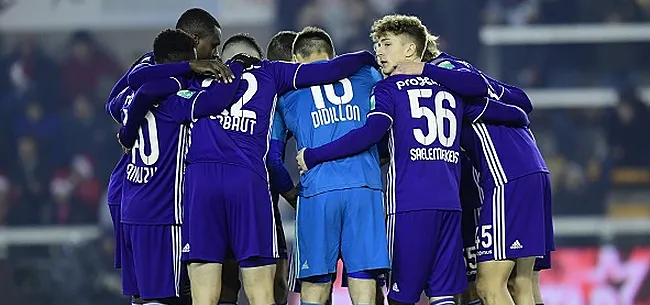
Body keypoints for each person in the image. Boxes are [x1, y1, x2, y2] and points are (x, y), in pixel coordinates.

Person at [295, 14, 531, 305]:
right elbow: (512, 109)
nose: (379, 51)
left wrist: (315, 155)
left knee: (401, 296)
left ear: (410, 50)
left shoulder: (386, 89)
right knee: (443, 296)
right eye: (377, 45)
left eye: (386, 44)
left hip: (409, 206)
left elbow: (370, 132)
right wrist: (520, 116)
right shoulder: (449, 87)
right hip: (449, 205)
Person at [178, 33, 379, 305]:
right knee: (266, 292)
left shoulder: (197, 78)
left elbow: (144, 88)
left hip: (203, 181)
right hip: (252, 182)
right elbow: (336, 75)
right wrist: (368, 55)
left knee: (209, 291)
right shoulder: (273, 73)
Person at [104, 7, 232, 305]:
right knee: (169, 294)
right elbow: (145, 86)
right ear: (193, 40)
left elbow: (116, 102)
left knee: (143, 294)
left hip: (127, 196)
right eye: (213, 45)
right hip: (159, 205)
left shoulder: (153, 76)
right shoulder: (174, 86)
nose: (215, 55)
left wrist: (128, 129)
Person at [412, 39, 553, 305]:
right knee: (522, 282)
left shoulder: (443, 82)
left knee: (488, 286)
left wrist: (424, 70)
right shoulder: (466, 72)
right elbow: (522, 103)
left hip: (506, 178)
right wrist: (515, 113)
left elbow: (511, 102)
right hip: (533, 169)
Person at [268, 26, 389, 305]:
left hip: (317, 193)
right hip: (364, 186)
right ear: (330, 54)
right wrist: (377, 156)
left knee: (316, 283)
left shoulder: (286, 93)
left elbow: (272, 159)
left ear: (296, 59)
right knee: (363, 278)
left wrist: (291, 195)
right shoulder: (368, 76)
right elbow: (384, 128)